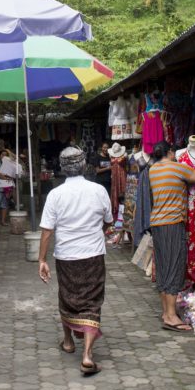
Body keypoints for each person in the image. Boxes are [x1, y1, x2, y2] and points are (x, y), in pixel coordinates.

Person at [38, 146, 113, 377]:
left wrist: (41, 259)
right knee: (92, 301)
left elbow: (47, 232)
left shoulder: (55, 194)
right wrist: (96, 231)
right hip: (93, 254)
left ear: (62, 168)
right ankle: (88, 355)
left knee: (67, 296)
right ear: (84, 165)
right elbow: (108, 221)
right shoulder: (99, 190)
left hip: (66, 256)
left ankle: (69, 341)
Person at [148, 141, 195, 331]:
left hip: (157, 224)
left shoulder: (153, 170)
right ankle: (171, 316)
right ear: (170, 152)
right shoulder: (178, 168)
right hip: (172, 223)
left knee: (162, 267)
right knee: (175, 267)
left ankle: (166, 312)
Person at [0, 149, 14, 227]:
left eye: (6, 155)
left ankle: (3, 221)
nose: (4, 156)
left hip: (7, 188)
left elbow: (12, 174)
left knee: (5, 205)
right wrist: (5, 177)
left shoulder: (9, 164)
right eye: (2, 154)